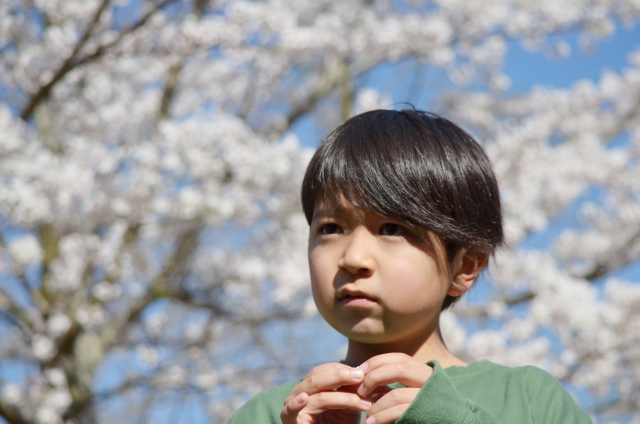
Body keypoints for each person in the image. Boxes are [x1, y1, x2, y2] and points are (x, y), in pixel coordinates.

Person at [228, 109, 591, 424]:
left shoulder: (528, 400)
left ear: (464, 267)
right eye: (331, 228)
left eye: (392, 229)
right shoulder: (271, 414)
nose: (353, 258)